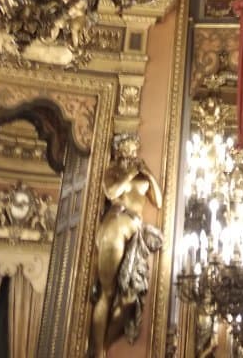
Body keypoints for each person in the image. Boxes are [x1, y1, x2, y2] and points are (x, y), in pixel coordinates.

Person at [89, 136, 164, 358]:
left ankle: (104, 345)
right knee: (108, 292)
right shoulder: (113, 170)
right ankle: (98, 350)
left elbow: (158, 202)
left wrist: (149, 174)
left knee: (129, 296)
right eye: (127, 151)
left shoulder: (142, 175)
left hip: (135, 232)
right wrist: (130, 174)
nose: (131, 155)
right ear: (119, 151)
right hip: (116, 226)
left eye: (134, 151)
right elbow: (111, 193)